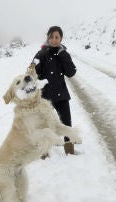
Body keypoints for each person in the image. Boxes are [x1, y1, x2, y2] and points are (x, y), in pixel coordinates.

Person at [33, 26, 77, 154]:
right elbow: (33, 73)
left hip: (61, 95)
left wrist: (63, 55)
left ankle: (69, 149)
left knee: (66, 123)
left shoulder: (63, 53)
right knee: (43, 124)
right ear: (48, 38)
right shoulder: (41, 53)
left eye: (57, 37)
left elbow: (71, 72)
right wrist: (36, 65)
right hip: (45, 96)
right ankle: (43, 151)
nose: (54, 40)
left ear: (61, 38)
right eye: (51, 37)